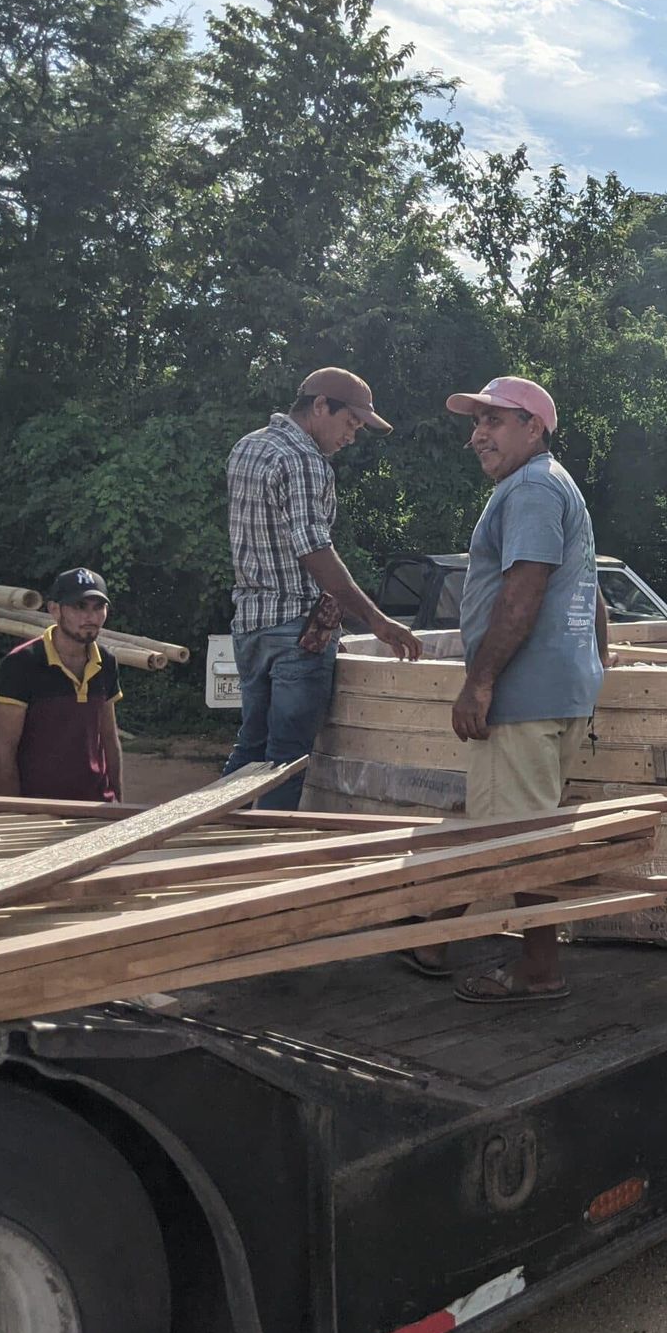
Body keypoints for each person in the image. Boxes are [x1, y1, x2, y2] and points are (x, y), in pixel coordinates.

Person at [434, 375, 611, 1004]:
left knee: (521, 840)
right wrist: (594, 670)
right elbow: (590, 593)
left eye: (494, 420)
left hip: (522, 694)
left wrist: (479, 682)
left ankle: (538, 970)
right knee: (517, 823)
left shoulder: (531, 486)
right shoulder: (554, 484)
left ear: (533, 427)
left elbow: (525, 588)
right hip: (556, 690)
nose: (478, 435)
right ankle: (436, 937)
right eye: (476, 422)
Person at [223, 367, 422, 811]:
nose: (351, 436)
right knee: (286, 761)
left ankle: (213, 835)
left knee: (250, 747)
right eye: (349, 423)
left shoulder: (247, 447)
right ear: (319, 407)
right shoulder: (306, 461)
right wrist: (377, 621)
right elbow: (314, 551)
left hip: (250, 625)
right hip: (298, 630)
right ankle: (263, 861)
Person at [0, 567, 124, 802]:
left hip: (98, 805)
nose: (90, 617)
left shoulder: (106, 662)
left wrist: (120, 803)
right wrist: (13, 814)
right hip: (40, 808)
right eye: (79, 607)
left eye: (98, 607)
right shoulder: (22, 663)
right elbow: (4, 749)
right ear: (54, 609)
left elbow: (109, 737)